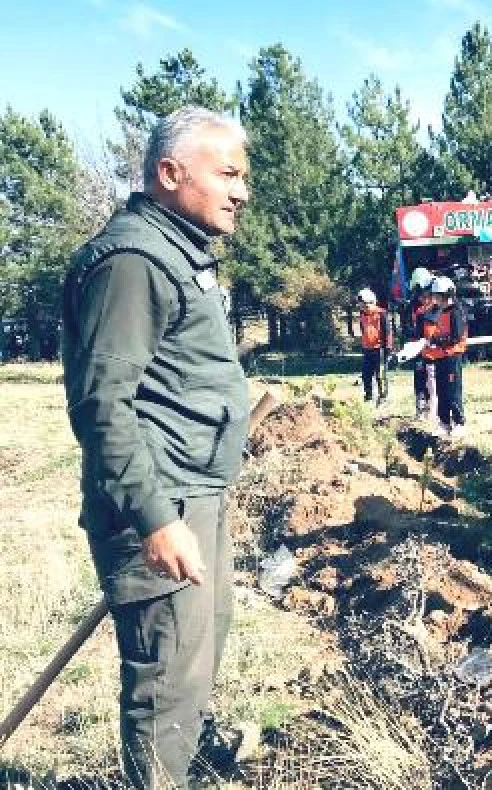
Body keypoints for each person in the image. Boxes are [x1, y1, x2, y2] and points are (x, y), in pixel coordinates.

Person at [60, 106, 251, 788]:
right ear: (170, 173)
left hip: (191, 490)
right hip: (162, 502)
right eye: (227, 173)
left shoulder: (174, 251)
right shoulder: (135, 260)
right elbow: (102, 401)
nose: (241, 191)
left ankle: (190, 766)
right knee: (166, 677)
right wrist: (155, 518)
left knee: (196, 652)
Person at [422, 276, 468, 437]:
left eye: (438, 296)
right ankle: (444, 423)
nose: (435, 300)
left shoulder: (456, 311)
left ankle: (459, 422)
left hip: (452, 355)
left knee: (453, 390)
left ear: (447, 295)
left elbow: (455, 337)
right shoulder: (438, 311)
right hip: (440, 355)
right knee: (441, 390)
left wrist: (436, 341)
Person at [406, 267, 436, 419]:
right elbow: (409, 327)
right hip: (417, 346)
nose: (423, 297)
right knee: (419, 375)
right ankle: (421, 405)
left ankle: (431, 406)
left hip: (431, 347)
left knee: (431, 378)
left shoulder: (434, 304)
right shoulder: (412, 306)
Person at [356, 287, 390, 405]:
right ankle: (368, 395)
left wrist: (387, 349)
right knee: (366, 374)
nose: (361, 307)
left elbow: (387, 332)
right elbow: (363, 330)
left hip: (379, 349)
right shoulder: (362, 315)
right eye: (360, 305)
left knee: (380, 375)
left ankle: (382, 397)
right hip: (367, 349)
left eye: (363, 305)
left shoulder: (381, 314)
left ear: (370, 302)